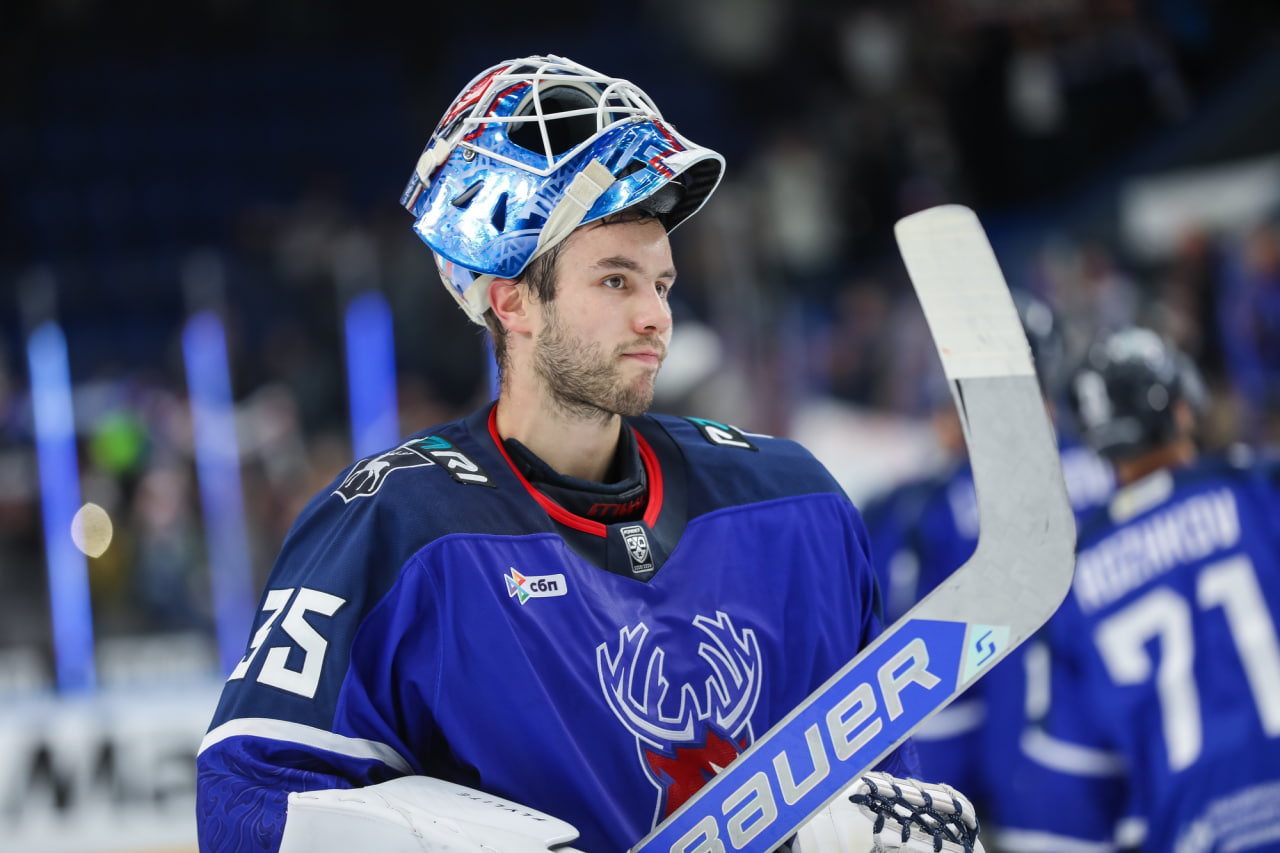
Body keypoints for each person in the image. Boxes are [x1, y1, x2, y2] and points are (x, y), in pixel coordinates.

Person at [195, 55, 986, 853]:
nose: (656, 317)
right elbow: (245, 806)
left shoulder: (793, 505)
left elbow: (885, 778)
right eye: (615, 281)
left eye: (662, 284)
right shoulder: (393, 528)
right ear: (511, 301)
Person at [999, 327, 1280, 853]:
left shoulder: (1073, 575)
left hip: (1193, 831)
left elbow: (1067, 795)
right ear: (1182, 411)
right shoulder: (1259, 492)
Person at [860, 291, 1114, 841]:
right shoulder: (1111, 471)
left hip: (1023, 783)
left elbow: (936, 693)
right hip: (1128, 758)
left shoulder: (936, 509)